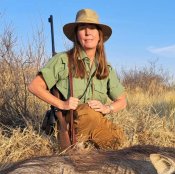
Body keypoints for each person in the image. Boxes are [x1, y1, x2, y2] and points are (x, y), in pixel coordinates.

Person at [28, 8, 127, 150]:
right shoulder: (62, 60)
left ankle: (91, 145)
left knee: (120, 139)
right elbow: (34, 86)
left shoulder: (106, 67)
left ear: (99, 35)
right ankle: (78, 145)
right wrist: (62, 104)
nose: (88, 33)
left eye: (92, 28)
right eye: (82, 28)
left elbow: (122, 101)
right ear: (76, 35)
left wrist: (107, 108)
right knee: (87, 114)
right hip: (71, 121)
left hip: (96, 122)